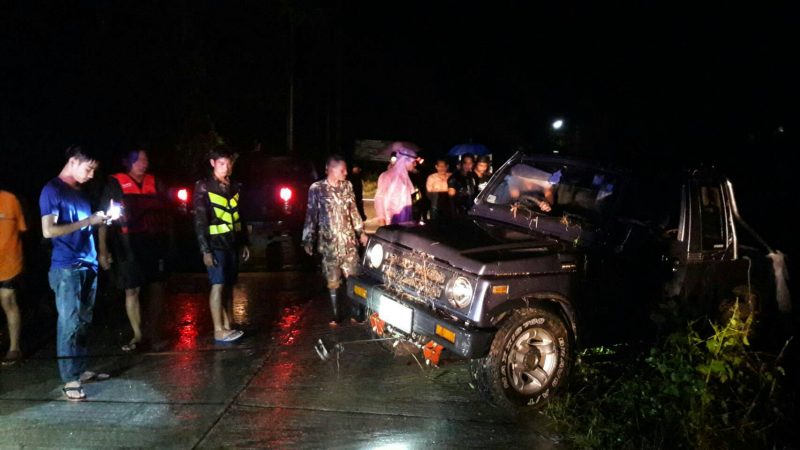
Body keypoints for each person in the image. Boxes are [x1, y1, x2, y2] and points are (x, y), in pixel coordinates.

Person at [40, 145, 111, 401]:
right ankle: (69, 378)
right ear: (73, 161)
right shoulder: (52, 190)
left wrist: (99, 223)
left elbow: (86, 226)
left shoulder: (80, 193)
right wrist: (87, 222)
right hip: (66, 266)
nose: (91, 175)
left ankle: (79, 370)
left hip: (87, 263)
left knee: (83, 321)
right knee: (69, 322)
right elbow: (48, 231)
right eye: (88, 168)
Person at [98, 147, 171, 352]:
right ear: (128, 162)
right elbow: (103, 218)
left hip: (153, 243)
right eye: (139, 159)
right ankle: (138, 335)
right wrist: (103, 249)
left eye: (146, 158)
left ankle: (153, 332)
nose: (144, 162)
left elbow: (167, 213)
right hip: (126, 244)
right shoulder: (115, 184)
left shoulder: (155, 182)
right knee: (132, 289)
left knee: (157, 287)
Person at [192, 145, 250, 343]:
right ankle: (218, 330)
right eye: (221, 163)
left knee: (229, 285)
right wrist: (205, 250)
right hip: (215, 244)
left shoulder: (235, 186)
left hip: (232, 243)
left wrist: (244, 243)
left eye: (228, 163)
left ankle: (228, 325)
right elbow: (200, 221)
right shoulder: (204, 186)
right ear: (212, 164)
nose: (226, 167)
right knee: (217, 285)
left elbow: (240, 217)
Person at [302, 155, 368, 324]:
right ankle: (336, 315)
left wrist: (361, 231)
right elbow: (311, 215)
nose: (346, 173)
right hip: (329, 243)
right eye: (342, 170)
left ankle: (357, 313)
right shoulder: (317, 188)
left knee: (354, 276)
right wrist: (308, 239)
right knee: (333, 280)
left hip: (348, 241)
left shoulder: (347, 186)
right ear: (331, 170)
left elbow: (353, 210)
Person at [0, 188, 26, 365]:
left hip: (9, 261)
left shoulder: (10, 199)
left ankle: (14, 348)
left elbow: (22, 228)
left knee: (7, 299)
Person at [374, 141, 421, 226]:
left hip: (404, 222)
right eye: (413, 162)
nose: (415, 165)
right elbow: (379, 199)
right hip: (390, 222)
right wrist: (382, 222)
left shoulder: (406, 178)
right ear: (405, 160)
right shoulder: (387, 176)